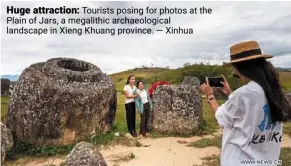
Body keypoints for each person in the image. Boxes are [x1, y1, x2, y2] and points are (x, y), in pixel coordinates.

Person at [200, 41, 290, 166]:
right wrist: (230, 93)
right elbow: (248, 107)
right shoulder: (272, 89)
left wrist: (210, 95)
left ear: (239, 67)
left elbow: (221, 117)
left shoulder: (243, 94)